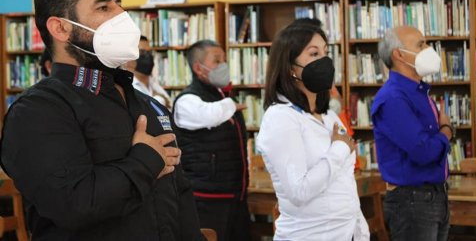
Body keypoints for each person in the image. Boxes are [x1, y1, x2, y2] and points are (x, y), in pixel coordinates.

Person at [0, 0, 205, 241]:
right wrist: (146, 162)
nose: (122, 16)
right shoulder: (39, 110)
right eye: (104, 8)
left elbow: (179, 195)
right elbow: (73, 205)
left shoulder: (146, 103)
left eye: (119, 4)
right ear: (60, 27)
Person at [256, 19, 369, 240]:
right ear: (290, 68)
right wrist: (339, 149)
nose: (324, 60)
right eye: (314, 54)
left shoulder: (328, 115)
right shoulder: (280, 118)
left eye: (326, 53)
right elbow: (299, 191)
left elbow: (343, 180)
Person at [371, 26, 453, 241]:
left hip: (435, 197)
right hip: (413, 202)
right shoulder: (393, 98)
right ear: (398, 54)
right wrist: (446, 132)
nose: (428, 49)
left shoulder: (419, 91)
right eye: (421, 44)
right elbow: (423, 151)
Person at [172, 40, 251, 241]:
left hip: (235, 194)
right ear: (199, 68)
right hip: (207, 199)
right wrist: (231, 104)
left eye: (224, 60)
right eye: (217, 61)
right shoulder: (187, 100)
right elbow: (209, 114)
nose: (224, 66)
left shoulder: (222, 97)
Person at [122, 35, 171, 108]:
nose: (148, 56)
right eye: (142, 52)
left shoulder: (154, 84)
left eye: (150, 52)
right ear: (129, 58)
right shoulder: (125, 86)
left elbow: (169, 106)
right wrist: (161, 99)